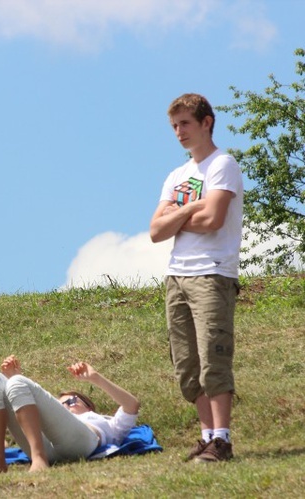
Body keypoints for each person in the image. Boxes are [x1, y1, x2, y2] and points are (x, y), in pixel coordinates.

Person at [149, 93, 243, 463]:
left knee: (212, 357)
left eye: (185, 123)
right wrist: (192, 207)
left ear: (207, 122)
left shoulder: (223, 165)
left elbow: (213, 220)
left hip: (212, 273)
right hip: (177, 276)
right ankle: (206, 438)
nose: (179, 132)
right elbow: (156, 231)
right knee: (186, 364)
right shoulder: (177, 175)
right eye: (174, 126)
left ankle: (222, 440)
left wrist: (178, 215)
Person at [0, 356, 139, 474]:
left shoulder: (106, 422)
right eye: (60, 404)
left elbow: (132, 405)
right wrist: (11, 383)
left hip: (81, 444)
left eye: (71, 401)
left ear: (89, 407)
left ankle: (39, 459)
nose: (65, 406)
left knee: (17, 382)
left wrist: (95, 378)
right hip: (45, 445)